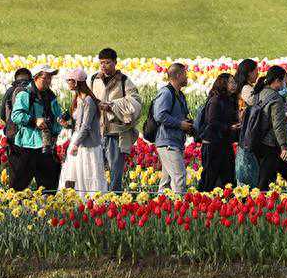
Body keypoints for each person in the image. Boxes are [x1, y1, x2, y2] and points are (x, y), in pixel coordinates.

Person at [90, 48, 142, 193]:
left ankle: (115, 198)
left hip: (116, 133)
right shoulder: (94, 79)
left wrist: (113, 106)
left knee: (115, 172)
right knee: (96, 171)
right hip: (98, 132)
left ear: (115, 62)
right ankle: (97, 197)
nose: (104, 66)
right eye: (101, 63)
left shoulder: (124, 81)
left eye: (107, 62)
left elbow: (135, 102)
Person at [9, 65, 64, 191]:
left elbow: (57, 116)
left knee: (49, 184)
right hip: (28, 145)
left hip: (46, 144)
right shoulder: (25, 94)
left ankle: (48, 203)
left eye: (50, 77)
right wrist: (35, 121)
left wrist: (60, 124)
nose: (48, 81)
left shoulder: (51, 96)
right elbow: (16, 116)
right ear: (36, 77)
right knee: (20, 185)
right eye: (45, 77)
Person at [252, 66, 287, 190]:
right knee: (269, 179)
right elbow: (278, 125)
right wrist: (284, 147)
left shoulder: (260, 92)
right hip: (272, 144)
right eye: (283, 81)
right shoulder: (275, 98)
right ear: (277, 80)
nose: (284, 85)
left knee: (269, 177)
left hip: (259, 140)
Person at [59, 69, 106, 194]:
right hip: (78, 140)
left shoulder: (89, 101)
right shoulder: (78, 99)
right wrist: (68, 125)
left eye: (69, 80)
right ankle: (75, 198)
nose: (68, 83)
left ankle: (89, 199)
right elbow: (78, 125)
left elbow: (86, 126)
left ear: (76, 82)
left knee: (87, 173)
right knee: (74, 173)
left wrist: (76, 143)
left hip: (87, 144)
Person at [152, 63, 194, 194]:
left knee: (167, 182)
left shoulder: (179, 95)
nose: (187, 77)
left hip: (175, 142)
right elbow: (159, 115)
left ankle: (161, 203)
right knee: (179, 177)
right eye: (185, 74)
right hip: (168, 143)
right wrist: (180, 124)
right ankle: (179, 204)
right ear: (178, 75)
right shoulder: (166, 93)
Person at [198, 72, 239, 191]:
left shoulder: (230, 100)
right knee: (210, 178)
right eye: (231, 82)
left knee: (228, 179)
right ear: (223, 84)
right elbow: (212, 122)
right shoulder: (215, 100)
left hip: (225, 143)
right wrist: (229, 127)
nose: (234, 85)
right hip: (213, 144)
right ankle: (202, 198)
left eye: (234, 82)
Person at [0, 68, 33, 184]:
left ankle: (15, 190)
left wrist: (10, 123)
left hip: (13, 135)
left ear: (15, 79)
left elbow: (2, 114)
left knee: (15, 168)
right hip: (31, 135)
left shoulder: (10, 91)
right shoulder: (33, 91)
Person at [234, 59, 261, 187]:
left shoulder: (244, 87)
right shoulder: (246, 88)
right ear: (249, 73)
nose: (258, 74)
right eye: (256, 71)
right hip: (246, 132)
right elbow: (255, 103)